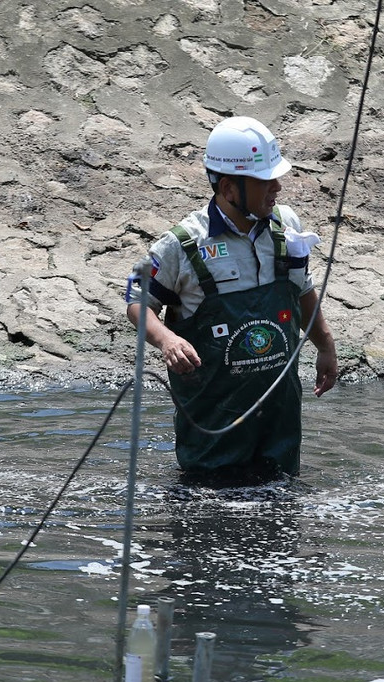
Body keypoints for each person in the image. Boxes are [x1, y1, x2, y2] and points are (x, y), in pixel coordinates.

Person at [126, 115, 337, 481]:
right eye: (265, 180)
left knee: (282, 518)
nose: (277, 188)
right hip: (214, 426)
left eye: (276, 177)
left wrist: (325, 344)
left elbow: (302, 290)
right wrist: (167, 339)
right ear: (227, 187)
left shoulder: (287, 226)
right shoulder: (182, 244)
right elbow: (137, 302)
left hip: (279, 422)